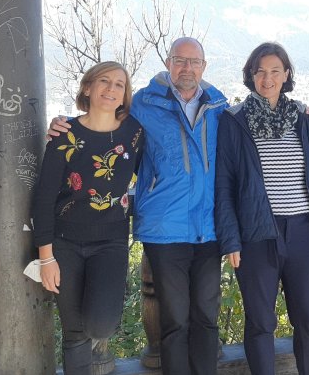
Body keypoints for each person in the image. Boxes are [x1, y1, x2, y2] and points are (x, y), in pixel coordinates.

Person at [49, 38, 228, 375]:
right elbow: (101, 120)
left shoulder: (219, 106)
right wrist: (64, 125)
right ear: (168, 62)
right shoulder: (143, 104)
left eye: (194, 62)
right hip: (164, 227)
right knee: (174, 321)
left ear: (204, 67)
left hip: (207, 227)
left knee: (207, 317)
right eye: (180, 60)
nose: (187, 68)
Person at [215, 42, 309, 375]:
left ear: (286, 75)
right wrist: (231, 239)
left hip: (305, 232)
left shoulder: (302, 117)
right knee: (260, 322)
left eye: (275, 71)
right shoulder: (234, 120)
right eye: (260, 71)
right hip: (257, 234)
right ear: (251, 75)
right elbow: (224, 183)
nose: (267, 79)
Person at [32, 61, 144, 375]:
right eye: (104, 81)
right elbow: (44, 198)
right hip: (64, 243)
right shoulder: (64, 135)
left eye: (119, 84)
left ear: (125, 94)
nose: (111, 89)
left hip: (111, 241)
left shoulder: (134, 132)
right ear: (88, 87)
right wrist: (46, 258)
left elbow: (152, 168)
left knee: (101, 324)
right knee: (73, 333)